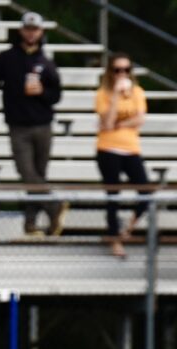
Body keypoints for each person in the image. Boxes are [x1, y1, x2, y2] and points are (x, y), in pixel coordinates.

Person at [0, 11, 67, 237]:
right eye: (27, 28)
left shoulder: (46, 63)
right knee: (27, 173)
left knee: (37, 176)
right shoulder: (6, 58)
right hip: (18, 126)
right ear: (21, 30)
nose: (31, 33)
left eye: (35, 29)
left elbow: (56, 95)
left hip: (43, 124)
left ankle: (31, 223)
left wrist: (42, 92)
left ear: (41, 32)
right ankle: (54, 206)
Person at [95, 52, 150, 259]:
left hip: (131, 148)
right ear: (110, 72)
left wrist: (119, 124)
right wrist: (116, 96)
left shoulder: (137, 92)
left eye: (126, 70)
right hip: (108, 148)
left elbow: (140, 119)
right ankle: (114, 239)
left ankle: (127, 229)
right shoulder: (103, 94)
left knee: (146, 193)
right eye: (117, 70)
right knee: (113, 195)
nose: (122, 73)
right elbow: (107, 122)